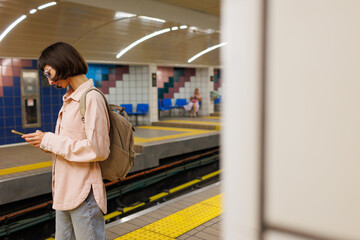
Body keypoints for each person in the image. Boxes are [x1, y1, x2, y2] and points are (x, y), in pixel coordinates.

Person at [22, 42, 110, 240]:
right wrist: (46, 143)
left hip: (82, 192)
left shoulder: (91, 98)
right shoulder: (70, 99)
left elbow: (98, 149)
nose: (50, 81)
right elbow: (73, 142)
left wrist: (51, 140)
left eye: (48, 73)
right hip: (64, 190)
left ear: (62, 63)